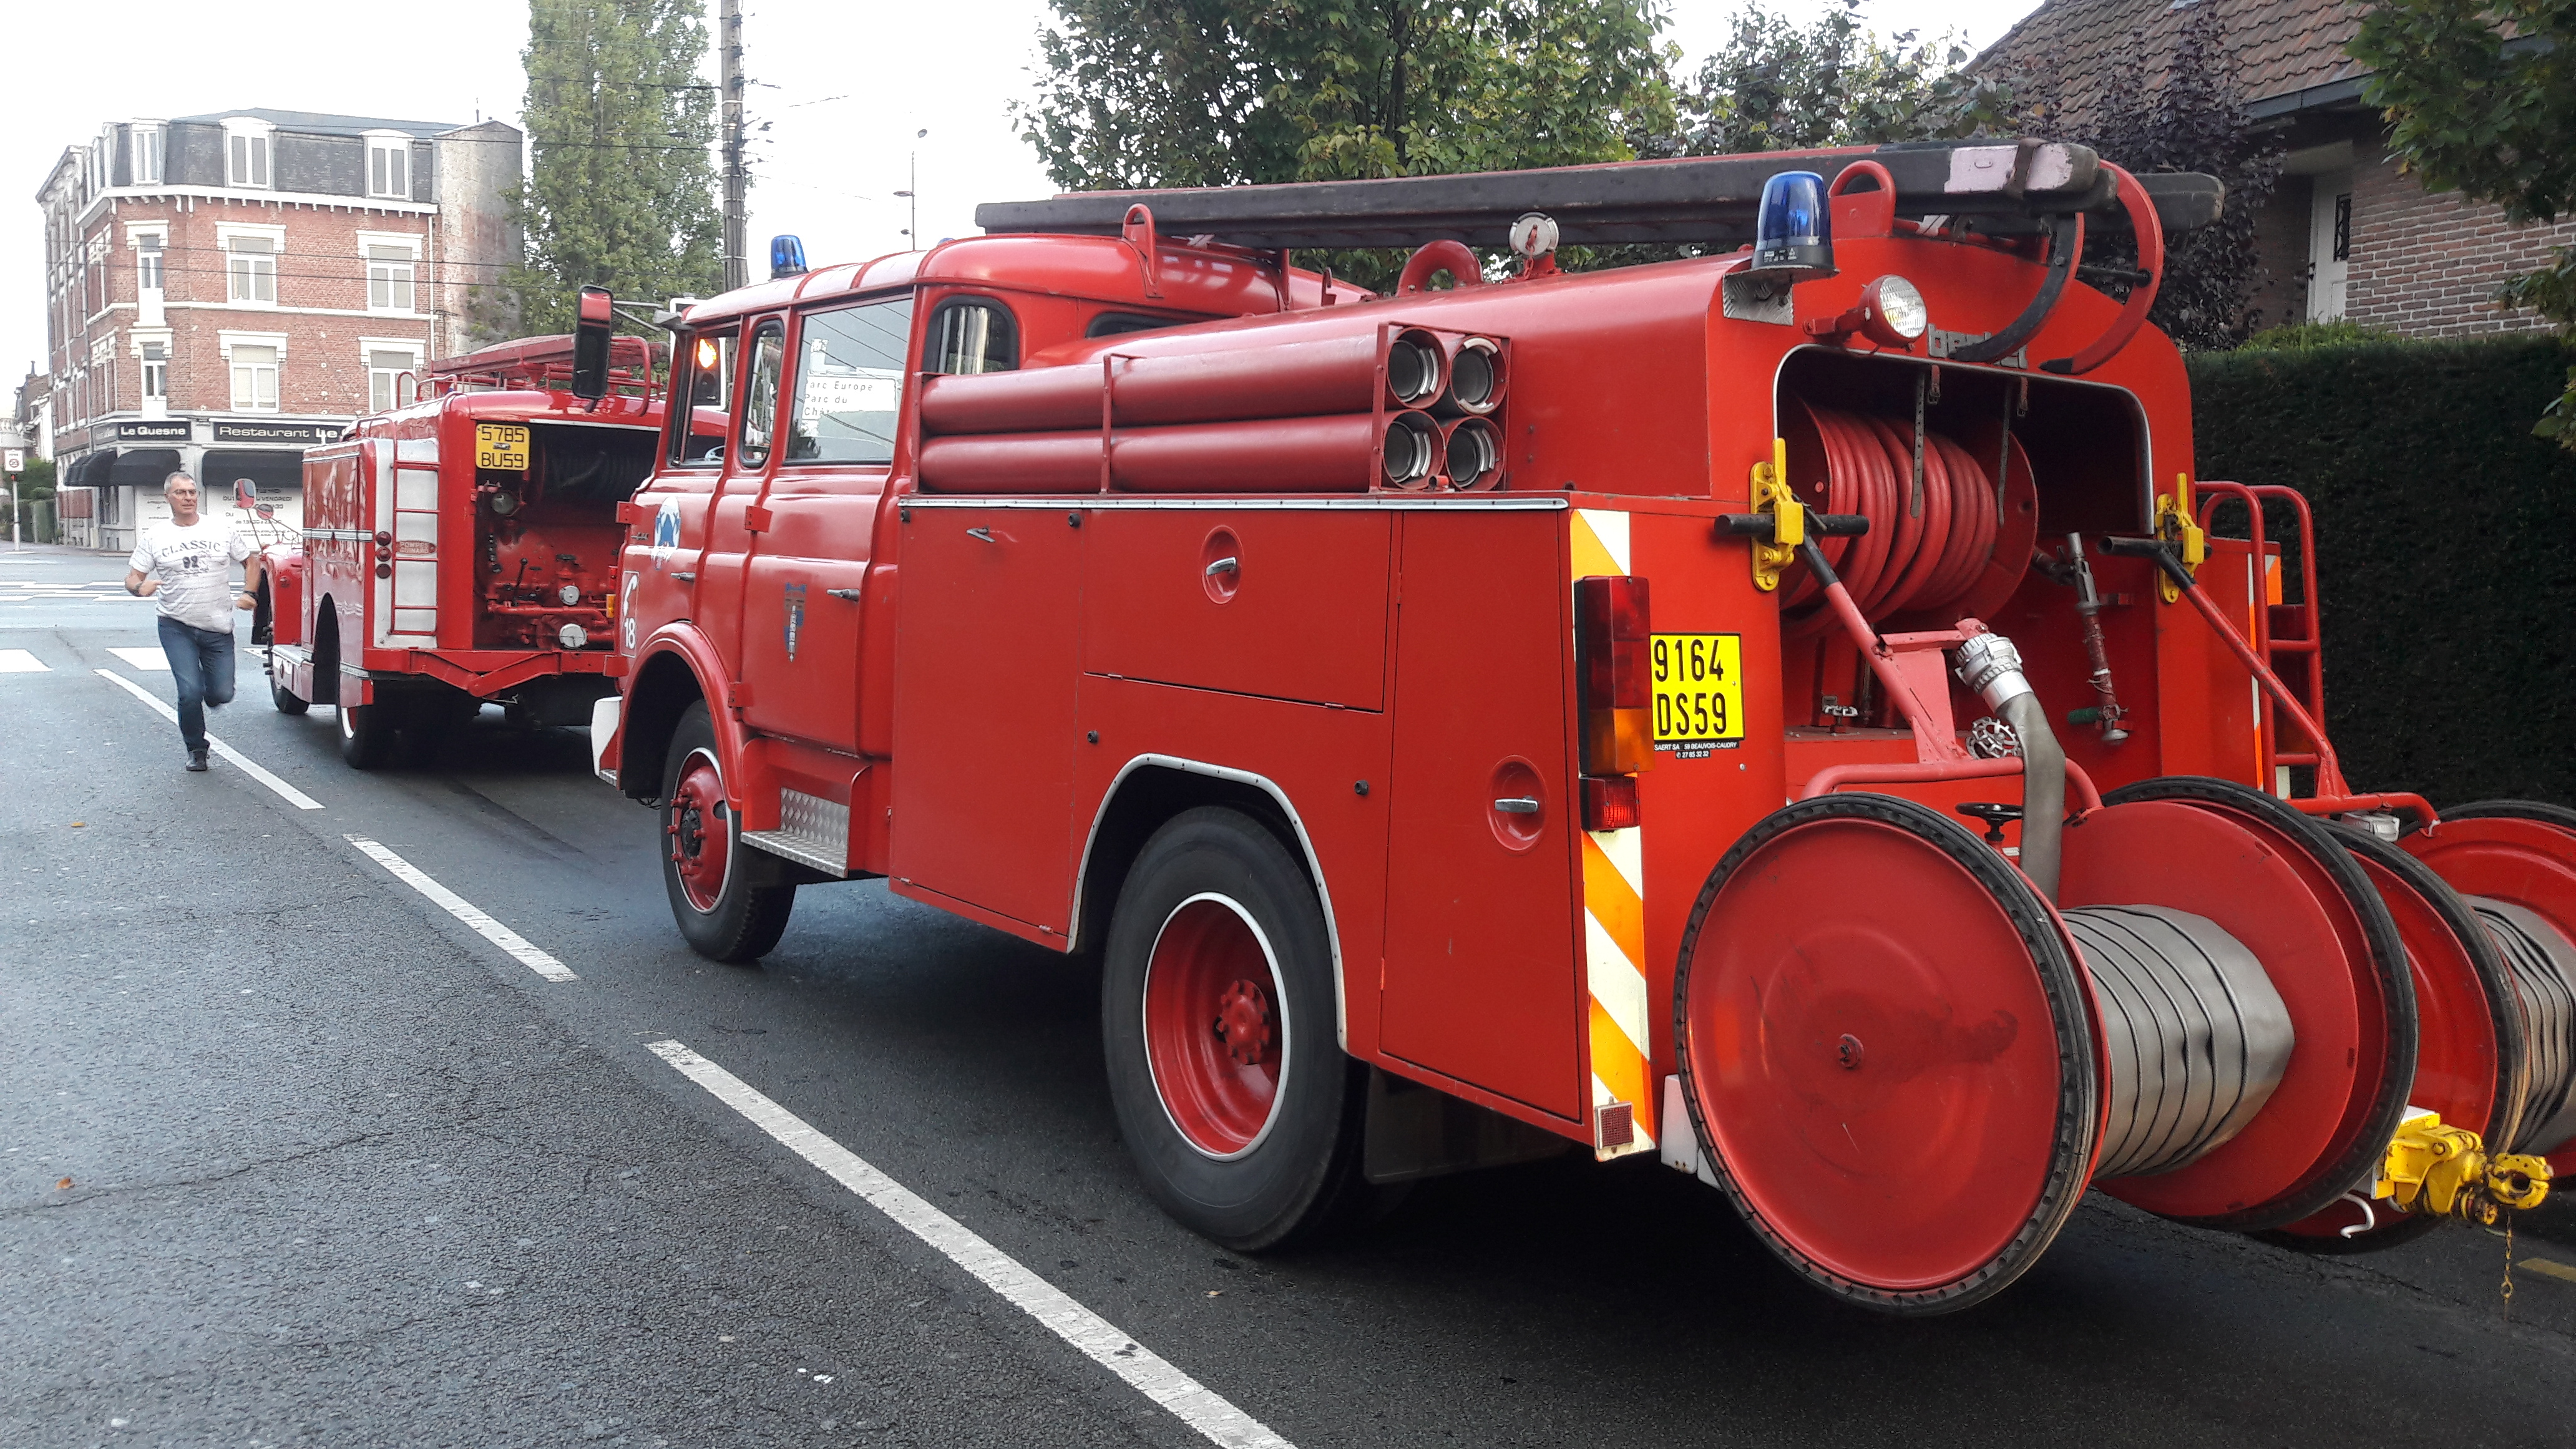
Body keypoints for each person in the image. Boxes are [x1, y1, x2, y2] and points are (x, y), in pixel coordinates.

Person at [125, 471, 261, 772]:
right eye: (181, 493)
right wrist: (138, 588)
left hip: (218, 628)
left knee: (221, 694)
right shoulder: (155, 536)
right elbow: (133, 577)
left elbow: (252, 561)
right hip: (176, 625)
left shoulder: (220, 529)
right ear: (168, 498)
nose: (188, 498)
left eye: (192, 492)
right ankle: (197, 749)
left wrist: (250, 592)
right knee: (189, 692)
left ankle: (211, 692)